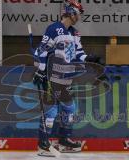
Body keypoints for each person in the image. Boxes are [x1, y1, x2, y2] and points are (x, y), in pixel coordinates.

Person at [33, 0, 100, 157]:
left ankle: (64, 140)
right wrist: (40, 71)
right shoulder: (54, 29)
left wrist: (90, 58)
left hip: (66, 78)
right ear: (71, 12)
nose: (79, 17)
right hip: (51, 76)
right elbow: (41, 51)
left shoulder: (74, 33)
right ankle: (43, 145)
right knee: (50, 111)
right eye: (78, 13)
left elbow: (78, 53)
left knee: (69, 109)